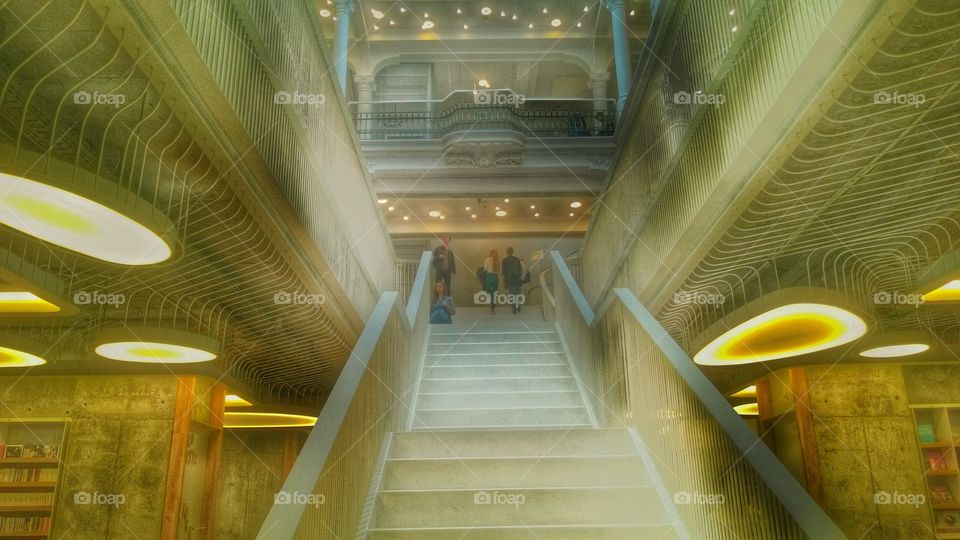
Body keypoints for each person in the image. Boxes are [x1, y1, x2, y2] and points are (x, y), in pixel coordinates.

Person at [501, 247, 524, 314]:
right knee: (517, 294)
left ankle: (513, 309)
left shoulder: (504, 260)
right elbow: (520, 269)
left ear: (507, 252)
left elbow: (503, 272)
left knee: (511, 294)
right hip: (517, 279)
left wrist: (503, 281)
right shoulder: (517, 259)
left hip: (509, 279)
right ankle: (518, 306)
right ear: (512, 252)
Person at [482, 249, 500, 314]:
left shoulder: (487, 259)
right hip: (495, 277)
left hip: (489, 277)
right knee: (494, 294)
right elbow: (498, 271)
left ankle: (490, 295)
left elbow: (485, 269)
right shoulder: (497, 260)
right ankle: (492, 309)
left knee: (488, 291)